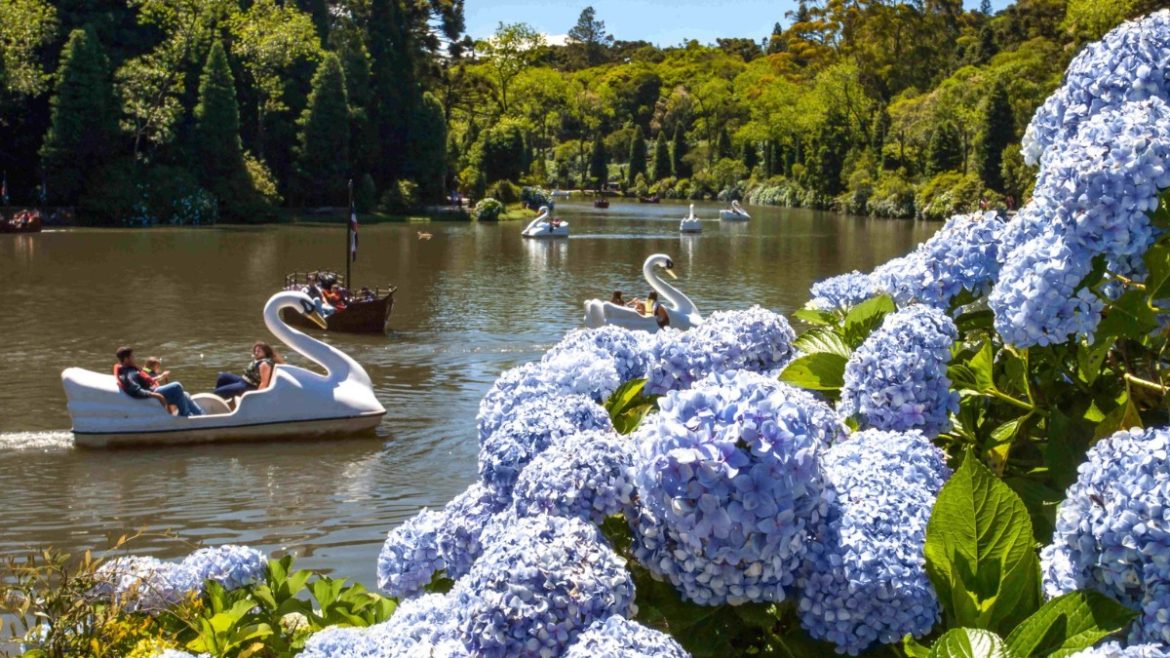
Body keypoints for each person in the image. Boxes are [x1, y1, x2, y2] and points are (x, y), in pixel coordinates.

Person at [114, 346, 203, 416]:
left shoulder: (130, 369)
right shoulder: (128, 373)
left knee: (185, 394)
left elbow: (146, 380)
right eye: (132, 356)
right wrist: (156, 395)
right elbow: (136, 390)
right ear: (126, 359)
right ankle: (186, 416)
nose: (134, 358)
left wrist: (160, 378)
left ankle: (201, 416)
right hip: (152, 394)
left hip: (152, 390)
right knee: (177, 385)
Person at [213, 342, 284, 400]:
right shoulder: (259, 360)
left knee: (218, 392)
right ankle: (224, 399)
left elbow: (264, 383)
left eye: (259, 351)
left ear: (266, 353)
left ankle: (217, 399)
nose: (256, 353)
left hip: (249, 386)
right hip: (243, 380)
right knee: (223, 377)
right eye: (255, 351)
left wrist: (258, 398)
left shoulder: (264, 364)